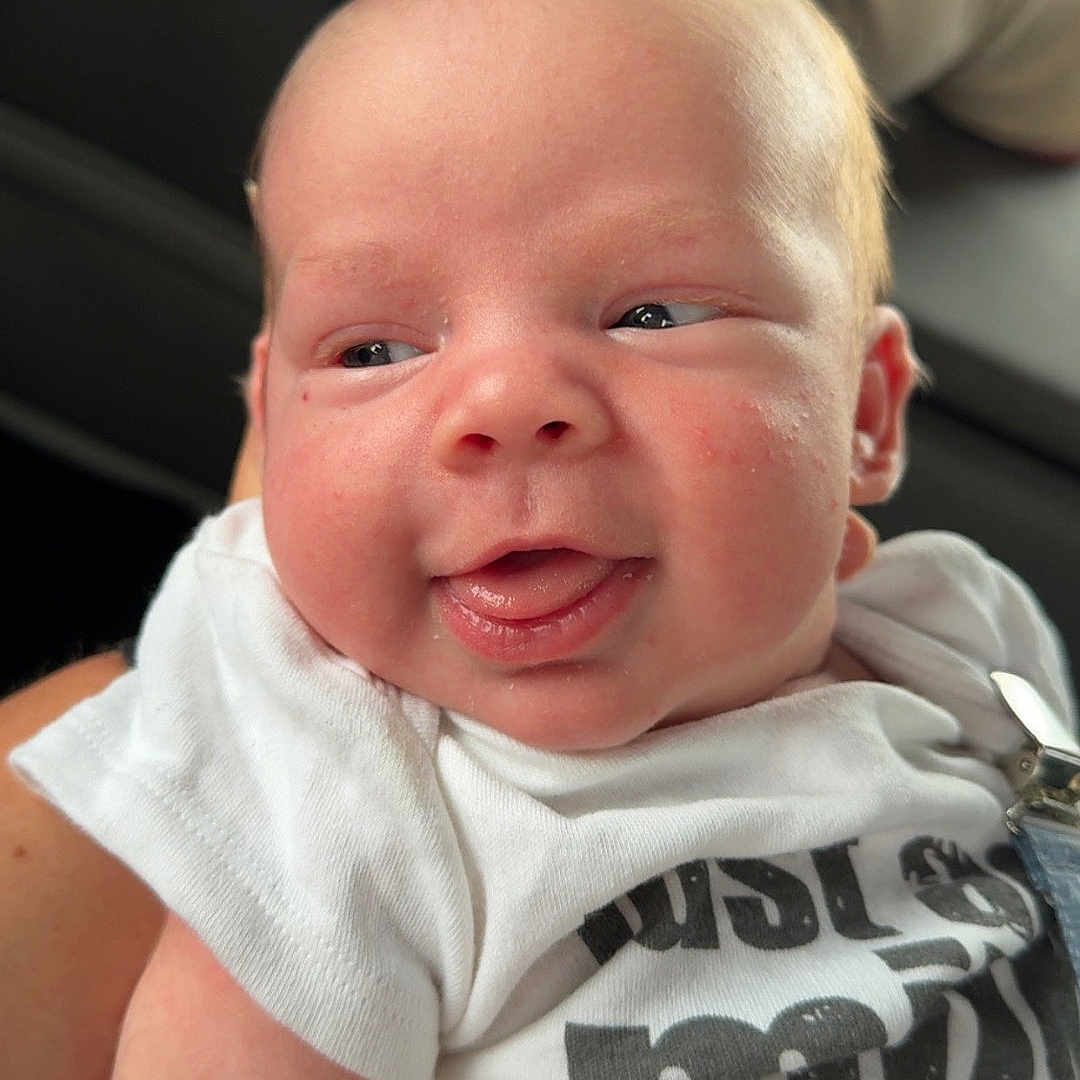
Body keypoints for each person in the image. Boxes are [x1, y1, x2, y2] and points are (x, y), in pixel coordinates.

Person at [6, 0, 1079, 1077]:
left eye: (651, 316)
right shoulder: (330, 799)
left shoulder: (964, 644)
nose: (505, 401)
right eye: (374, 347)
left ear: (863, 416)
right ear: (270, 432)